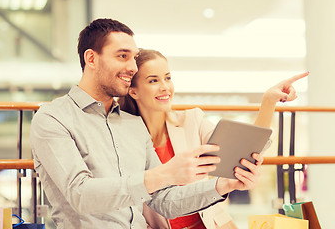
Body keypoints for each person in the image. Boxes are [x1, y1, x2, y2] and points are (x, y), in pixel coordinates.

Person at [30, 18, 265, 229]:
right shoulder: (53, 118)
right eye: (122, 56)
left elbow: (163, 201)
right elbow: (80, 194)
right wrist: (164, 173)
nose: (132, 67)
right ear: (91, 58)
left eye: (133, 57)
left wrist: (224, 185)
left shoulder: (133, 124)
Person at [118, 49, 309, 229]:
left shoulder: (192, 120)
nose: (165, 87)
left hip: (210, 224)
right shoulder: (123, 137)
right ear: (133, 91)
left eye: (168, 78)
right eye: (153, 81)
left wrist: (268, 102)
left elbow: (243, 150)